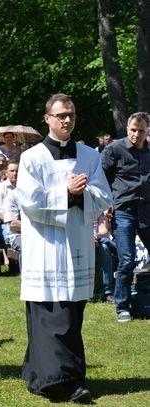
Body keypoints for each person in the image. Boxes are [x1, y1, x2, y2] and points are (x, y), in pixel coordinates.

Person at [17, 94, 112, 403]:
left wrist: (82, 195)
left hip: (76, 244)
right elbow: (29, 203)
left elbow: (103, 196)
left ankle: (36, 374)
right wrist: (66, 193)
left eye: (70, 114)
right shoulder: (32, 157)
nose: (66, 120)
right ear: (47, 119)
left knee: (70, 313)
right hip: (45, 247)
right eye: (60, 115)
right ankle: (65, 382)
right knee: (50, 314)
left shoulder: (89, 155)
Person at [101, 111, 150, 322]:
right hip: (124, 211)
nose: (136, 134)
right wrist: (105, 205)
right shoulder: (115, 149)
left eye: (141, 130)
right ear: (127, 129)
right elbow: (99, 177)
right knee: (127, 259)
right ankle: (122, 306)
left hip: (147, 210)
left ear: (147, 131)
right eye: (133, 130)